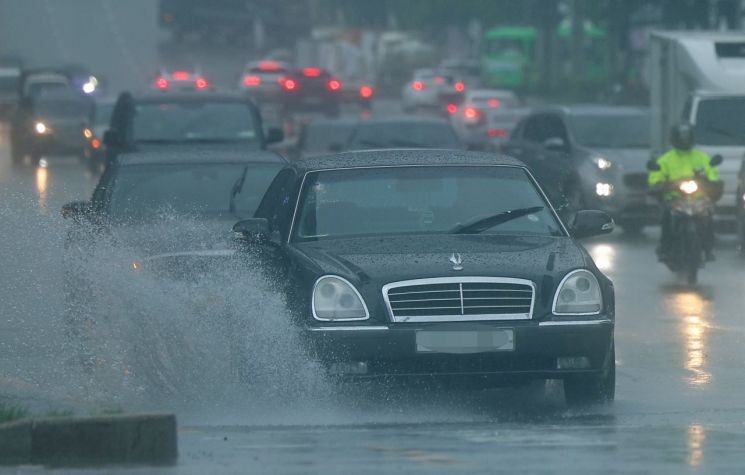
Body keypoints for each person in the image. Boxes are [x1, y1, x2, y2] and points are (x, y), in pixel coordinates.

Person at [648, 123, 722, 261]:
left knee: (709, 215)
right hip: (674, 199)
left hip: (698, 198)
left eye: (687, 136)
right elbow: (655, 178)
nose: (684, 140)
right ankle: (664, 247)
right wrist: (663, 184)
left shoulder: (702, 157)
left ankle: (708, 248)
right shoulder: (665, 159)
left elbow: (713, 175)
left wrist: (709, 181)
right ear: (675, 138)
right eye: (681, 137)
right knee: (666, 217)